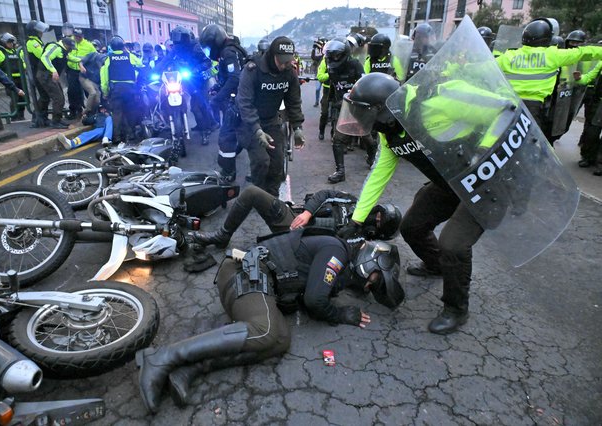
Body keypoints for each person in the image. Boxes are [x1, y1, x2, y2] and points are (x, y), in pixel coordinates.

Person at [136, 229, 404, 412]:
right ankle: (162, 357)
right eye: (374, 279)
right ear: (370, 262)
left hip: (254, 280)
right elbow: (315, 301)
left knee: (279, 340)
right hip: (244, 273)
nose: (369, 286)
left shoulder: (340, 256)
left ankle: (188, 369)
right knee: (266, 331)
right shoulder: (337, 250)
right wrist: (342, 314)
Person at [336, 72, 520, 334]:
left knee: (453, 244)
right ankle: (437, 266)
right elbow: (378, 174)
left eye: (363, 113)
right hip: (452, 182)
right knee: (412, 226)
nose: (360, 119)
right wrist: (356, 220)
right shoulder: (391, 132)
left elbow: (507, 109)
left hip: (489, 179)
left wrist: (483, 152)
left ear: (382, 108)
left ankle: (456, 309)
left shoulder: (439, 98)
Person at [190, 184, 402, 248]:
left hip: (302, 240)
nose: (376, 217)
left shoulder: (363, 243)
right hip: (294, 216)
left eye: (380, 222)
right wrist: (308, 212)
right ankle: (222, 235)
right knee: (252, 192)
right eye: (379, 213)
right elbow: (325, 193)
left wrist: (346, 238)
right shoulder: (355, 202)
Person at [495, 18, 602, 139]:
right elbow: (583, 52)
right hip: (533, 107)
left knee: (498, 136)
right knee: (531, 142)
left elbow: (483, 66)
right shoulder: (552, 55)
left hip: (509, 104)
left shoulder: (509, 55)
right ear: (547, 39)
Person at [236, 36, 305, 196]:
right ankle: (258, 195)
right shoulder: (252, 70)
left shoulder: (289, 73)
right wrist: (256, 130)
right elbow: (244, 103)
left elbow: (293, 101)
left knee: (277, 162)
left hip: (272, 120)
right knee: (261, 161)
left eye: (289, 61)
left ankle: (272, 196)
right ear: (272, 55)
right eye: (282, 61)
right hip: (249, 123)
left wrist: (297, 127)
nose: (285, 65)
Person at [199, 24, 249, 183]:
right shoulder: (233, 49)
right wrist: (218, 87)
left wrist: (217, 98)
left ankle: (228, 172)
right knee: (240, 133)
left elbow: (234, 78)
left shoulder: (228, 53)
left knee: (226, 137)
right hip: (244, 98)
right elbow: (229, 77)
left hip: (237, 100)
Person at [322, 38, 371, 183]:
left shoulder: (355, 65)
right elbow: (333, 86)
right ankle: (340, 171)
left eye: (336, 55)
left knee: (365, 135)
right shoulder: (331, 68)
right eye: (330, 55)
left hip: (357, 106)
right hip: (342, 106)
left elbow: (364, 84)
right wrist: (333, 101)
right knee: (337, 140)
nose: (332, 58)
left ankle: (372, 157)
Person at [163, 26, 217, 136]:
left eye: (180, 40)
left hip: (201, 79)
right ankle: (205, 125)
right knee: (194, 106)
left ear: (186, 39)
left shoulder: (197, 48)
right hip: (188, 79)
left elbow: (208, 62)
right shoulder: (176, 49)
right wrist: (151, 72)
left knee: (199, 105)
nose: (178, 43)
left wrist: (197, 69)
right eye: (176, 40)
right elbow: (166, 60)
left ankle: (208, 127)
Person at [100, 35, 142, 144]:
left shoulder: (108, 59)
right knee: (131, 111)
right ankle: (131, 134)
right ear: (123, 46)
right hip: (130, 89)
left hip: (116, 89)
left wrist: (105, 92)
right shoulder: (130, 56)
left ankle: (117, 137)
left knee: (117, 113)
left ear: (111, 47)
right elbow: (140, 65)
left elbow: (104, 78)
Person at [38, 37, 79, 129]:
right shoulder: (55, 47)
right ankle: (55, 121)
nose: (70, 50)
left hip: (50, 75)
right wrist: (52, 70)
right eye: (70, 47)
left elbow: (69, 57)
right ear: (65, 45)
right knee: (58, 97)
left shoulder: (63, 50)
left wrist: (80, 61)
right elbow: (45, 57)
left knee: (60, 97)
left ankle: (57, 119)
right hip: (46, 74)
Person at [575, 60, 602, 172]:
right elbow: (589, 77)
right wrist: (580, 79)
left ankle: (600, 163)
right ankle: (588, 157)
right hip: (598, 103)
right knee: (592, 132)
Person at [0, 32, 26, 120]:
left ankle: (21, 116)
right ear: (3, 43)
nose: (11, 44)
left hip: (20, 78)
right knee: (15, 98)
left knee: (23, 97)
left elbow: (23, 63)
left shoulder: (15, 51)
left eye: (12, 42)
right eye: (9, 42)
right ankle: (14, 117)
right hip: (10, 79)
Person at [24, 20, 50, 127]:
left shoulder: (37, 41)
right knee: (44, 95)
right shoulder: (32, 43)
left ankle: (41, 117)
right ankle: (38, 116)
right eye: (39, 30)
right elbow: (42, 55)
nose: (42, 32)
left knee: (45, 95)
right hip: (36, 72)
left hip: (38, 71)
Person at [66, 28, 96, 120]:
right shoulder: (69, 42)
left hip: (84, 72)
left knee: (88, 91)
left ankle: (91, 110)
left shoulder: (89, 45)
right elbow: (66, 54)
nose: (77, 38)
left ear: (82, 36)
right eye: (76, 36)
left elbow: (95, 57)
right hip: (72, 70)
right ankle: (74, 110)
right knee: (72, 91)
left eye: (79, 36)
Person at [79, 50, 106, 115]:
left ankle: (92, 113)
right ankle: (87, 110)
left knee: (97, 100)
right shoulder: (93, 55)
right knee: (92, 92)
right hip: (85, 78)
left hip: (95, 82)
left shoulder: (104, 66)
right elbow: (81, 61)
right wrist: (81, 66)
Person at [311, 38, 326, 107]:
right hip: (319, 75)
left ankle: (325, 100)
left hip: (326, 75)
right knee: (317, 89)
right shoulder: (320, 57)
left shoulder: (328, 55)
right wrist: (314, 49)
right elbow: (313, 57)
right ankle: (317, 101)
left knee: (327, 90)